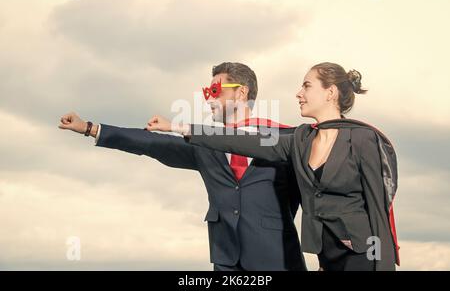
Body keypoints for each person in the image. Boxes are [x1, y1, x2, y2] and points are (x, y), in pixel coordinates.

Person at [149, 62, 400, 271]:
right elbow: (242, 140)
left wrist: (382, 263)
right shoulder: (300, 140)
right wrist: (180, 127)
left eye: (307, 85)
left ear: (330, 93)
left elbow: (379, 211)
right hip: (326, 255)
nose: (299, 93)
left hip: (363, 253)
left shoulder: (362, 139)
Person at [58, 62, 306, 271]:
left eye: (215, 90)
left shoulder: (287, 138)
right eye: (207, 91)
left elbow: (318, 194)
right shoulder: (204, 143)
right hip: (226, 260)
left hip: (279, 259)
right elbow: (153, 143)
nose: (209, 98)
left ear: (242, 92)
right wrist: (90, 128)